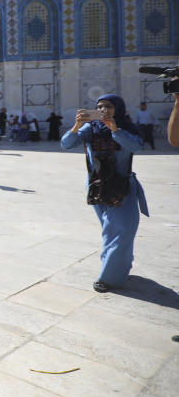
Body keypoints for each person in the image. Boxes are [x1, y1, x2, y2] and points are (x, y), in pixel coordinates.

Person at [61, 95, 148, 293]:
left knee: (121, 229)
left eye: (107, 106)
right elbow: (66, 144)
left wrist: (115, 129)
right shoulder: (91, 129)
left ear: (118, 108)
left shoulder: (126, 128)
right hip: (98, 187)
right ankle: (120, 266)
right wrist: (77, 125)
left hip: (122, 187)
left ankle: (109, 277)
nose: (103, 110)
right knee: (112, 230)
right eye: (99, 107)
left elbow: (136, 146)